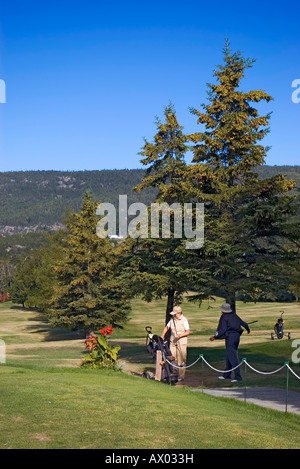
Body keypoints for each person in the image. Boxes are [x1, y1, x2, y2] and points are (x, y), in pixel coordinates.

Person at [209, 303, 250, 382]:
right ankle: (227, 374)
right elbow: (244, 324)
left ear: (223, 311)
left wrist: (215, 336)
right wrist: (248, 329)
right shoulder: (234, 315)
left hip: (230, 338)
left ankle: (238, 377)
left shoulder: (224, 317)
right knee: (229, 356)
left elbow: (223, 330)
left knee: (233, 357)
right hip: (237, 337)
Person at [161, 306, 190, 381]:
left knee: (181, 359)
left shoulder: (184, 320)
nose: (174, 315)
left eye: (175, 314)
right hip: (173, 341)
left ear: (179, 313)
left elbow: (187, 331)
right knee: (172, 357)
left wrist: (180, 335)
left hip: (181, 341)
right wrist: (162, 336)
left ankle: (181, 376)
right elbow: (167, 327)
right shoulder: (172, 319)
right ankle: (172, 373)